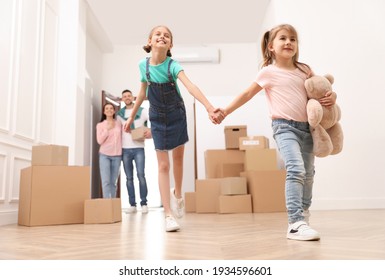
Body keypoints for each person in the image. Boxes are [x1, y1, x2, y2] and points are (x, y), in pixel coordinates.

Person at [218, 24, 336, 241]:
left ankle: (304, 215)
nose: (289, 42)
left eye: (293, 39)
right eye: (283, 38)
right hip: (284, 127)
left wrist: (331, 98)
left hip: (307, 129)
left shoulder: (305, 70)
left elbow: (321, 89)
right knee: (296, 169)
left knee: (309, 175)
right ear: (271, 46)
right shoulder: (268, 72)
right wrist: (225, 111)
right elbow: (246, 94)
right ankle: (294, 222)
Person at [124, 25, 223, 232]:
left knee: (177, 159)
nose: (162, 37)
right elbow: (142, 93)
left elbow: (190, 86)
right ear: (149, 41)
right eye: (158, 34)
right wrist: (131, 116)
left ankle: (177, 194)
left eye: (166, 35)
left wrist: (209, 107)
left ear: (171, 44)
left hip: (177, 114)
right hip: (157, 117)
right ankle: (168, 214)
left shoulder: (173, 65)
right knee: (163, 166)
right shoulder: (144, 66)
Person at [118, 89, 151, 214]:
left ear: (133, 97)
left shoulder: (142, 111)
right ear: (122, 99)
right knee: (129, 178)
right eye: (124, 96)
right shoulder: (119, 115)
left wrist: (150, 132)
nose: (127, 97)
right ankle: (132, 205)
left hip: (139, 149)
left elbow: (153, 121)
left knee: (141, 175)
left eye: (129, 95)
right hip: (125, 150)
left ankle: (144, 203)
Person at [96, 102, 122, 199]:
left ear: (114, 111)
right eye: (107, 108)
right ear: (104, 112)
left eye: (111, 108)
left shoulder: (119, 124)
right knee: (106, 181)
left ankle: (113, 204)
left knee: (113, 182)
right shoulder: (100, 125)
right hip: (104, 155)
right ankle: (107, 204)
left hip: (117, 156)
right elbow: (99, 141)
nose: (109, 110)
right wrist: (107, 129)